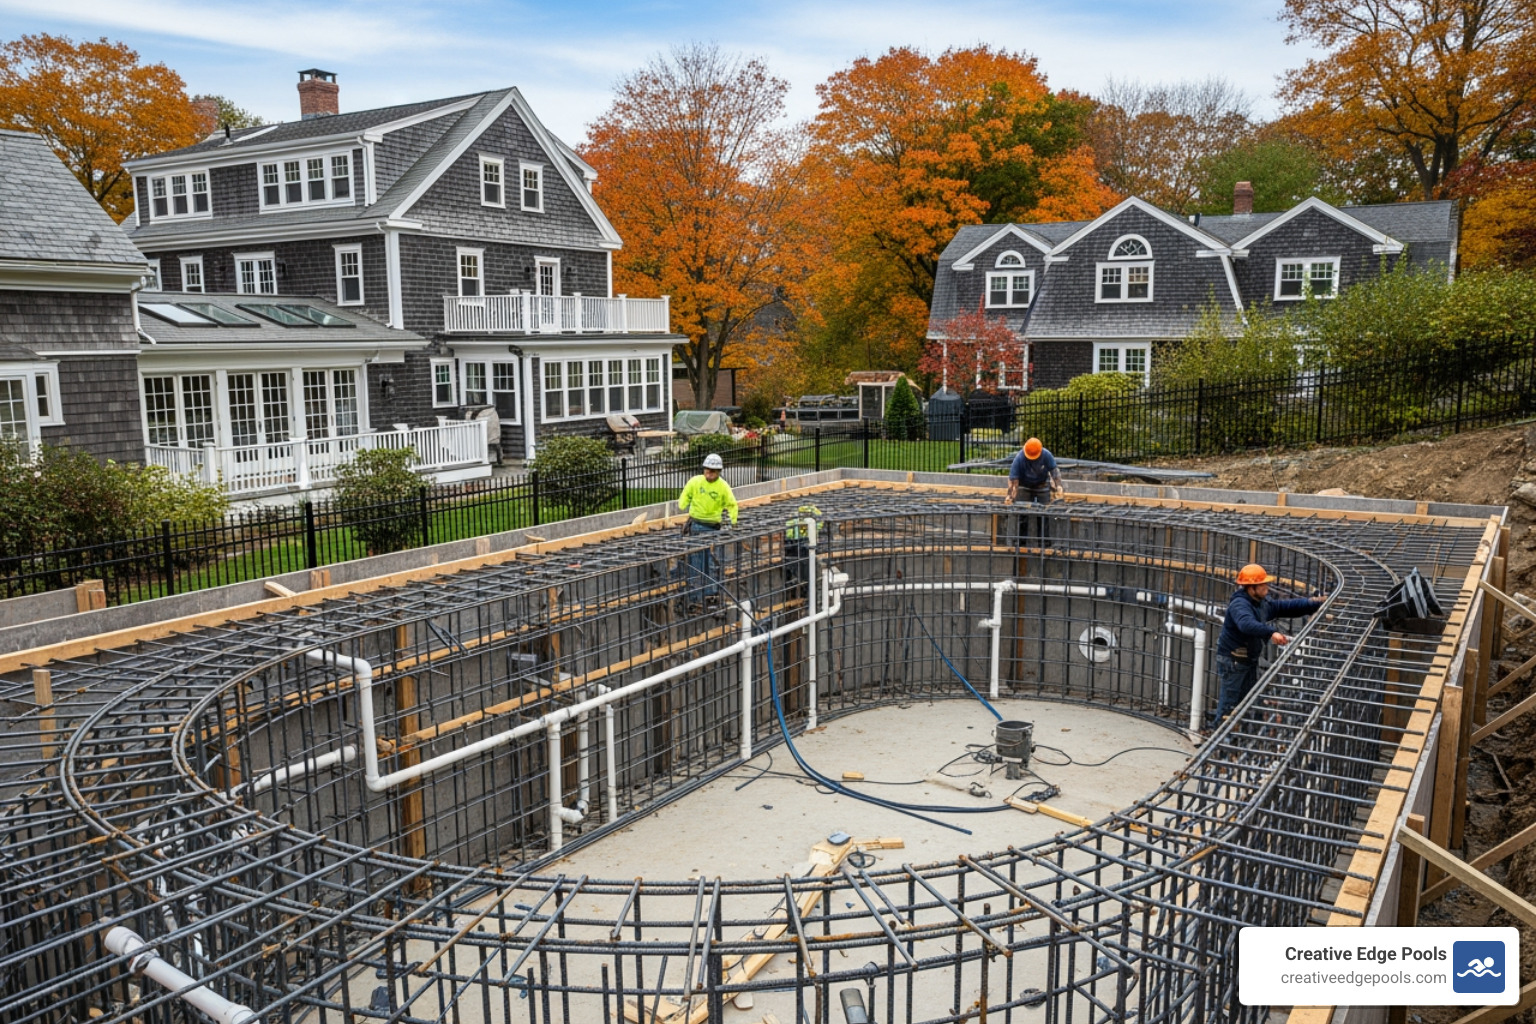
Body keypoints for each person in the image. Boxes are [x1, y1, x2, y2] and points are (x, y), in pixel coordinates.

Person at [1210, 563, 1327, 727]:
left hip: (1246, 660)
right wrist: (1271, 632)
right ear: (1251, 588)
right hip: (1234, 662)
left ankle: (1235, 742)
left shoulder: (1260, 602)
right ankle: (1220, 746)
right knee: (1229, 707)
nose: (1267, 586)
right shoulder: (1240, 605)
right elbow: (1246, 624)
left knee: (1245, 705)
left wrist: (1313, 603)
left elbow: (1283, 607)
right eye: (1262, 584)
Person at [677, 452, 739, 608]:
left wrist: (733, 522)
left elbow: (732, 504)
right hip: (696, 526)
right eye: (707, 470)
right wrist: (683, 505)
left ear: (719, 472)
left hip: (713, 529)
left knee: (711, 563)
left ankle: (710, 595)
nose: (709, 473)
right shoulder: (696, 482)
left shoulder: (723, 486)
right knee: (695, 563)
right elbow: (684, 497)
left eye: (712, 471)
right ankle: (695, 597)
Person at [1007, 437, 1063, 505]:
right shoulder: (1019, 458)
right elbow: (1013, 481)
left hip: (1042, 486)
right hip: (1024, 487)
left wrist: (1059, 487)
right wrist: (1010, 496)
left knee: (1045, 509)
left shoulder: (1046, 455)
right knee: (1022, 509)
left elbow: (1055, 472)